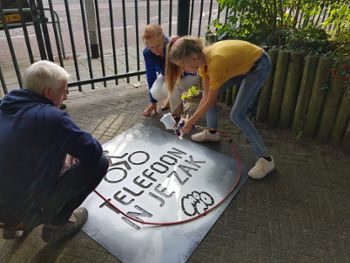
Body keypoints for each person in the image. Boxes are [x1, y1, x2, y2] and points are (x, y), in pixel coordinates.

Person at [0, 60, 109, 243]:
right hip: (22, 214)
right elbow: (93, 151)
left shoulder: (5, 104)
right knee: (100, 163)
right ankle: (56, 225)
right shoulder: (53, 117)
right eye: (64, 91)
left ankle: (11, 229)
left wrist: (62, 149)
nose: (66, 97)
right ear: (48, 93)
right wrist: (68, 144)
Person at [165, 36, 275, 179]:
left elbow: (210, 101)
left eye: (182, 65)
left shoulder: (215, 62)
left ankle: (266, 159)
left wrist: (191, 121)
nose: (182, 69)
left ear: (193, 57)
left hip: (259, 65)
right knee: (207, 92)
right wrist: (191, 120)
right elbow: (206, 97)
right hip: (243, 64)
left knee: (237, 115)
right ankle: (212, 133)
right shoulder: (203, 62)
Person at [142, 24, 198, 119]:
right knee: (155, 92)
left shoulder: (174, 46)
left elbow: (188, 67)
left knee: (168, 86)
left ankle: (177, 111)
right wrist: (153, 102)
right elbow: (150, 76)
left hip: (187, 76)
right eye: (151, 47)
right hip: (167, 76)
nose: (155, 50)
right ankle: (168, 101)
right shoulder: (147, 53)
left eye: (158, 45)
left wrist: (169, 76)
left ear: (163, 38)